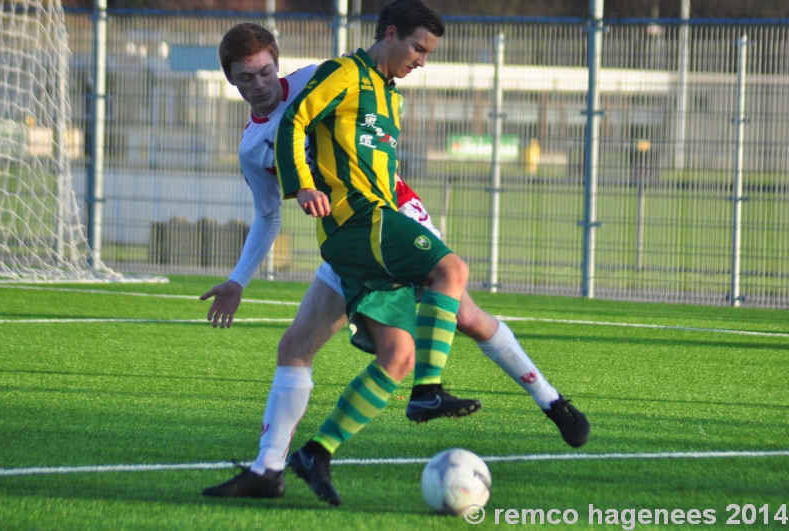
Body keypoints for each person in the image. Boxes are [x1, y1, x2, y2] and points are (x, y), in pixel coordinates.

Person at [200, 14, 588, 504]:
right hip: (348, 237)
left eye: (264, 72)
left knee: (460, 314)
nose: (258, 85)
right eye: (244, 78)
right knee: (309, 348)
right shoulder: (253, 147)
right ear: (229, 81)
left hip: (391, 216)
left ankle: (549, 401)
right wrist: (238, 280)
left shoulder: (315, 80)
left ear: (278, 63)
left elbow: (345, 110)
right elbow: (267, 216)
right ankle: (270, 467)